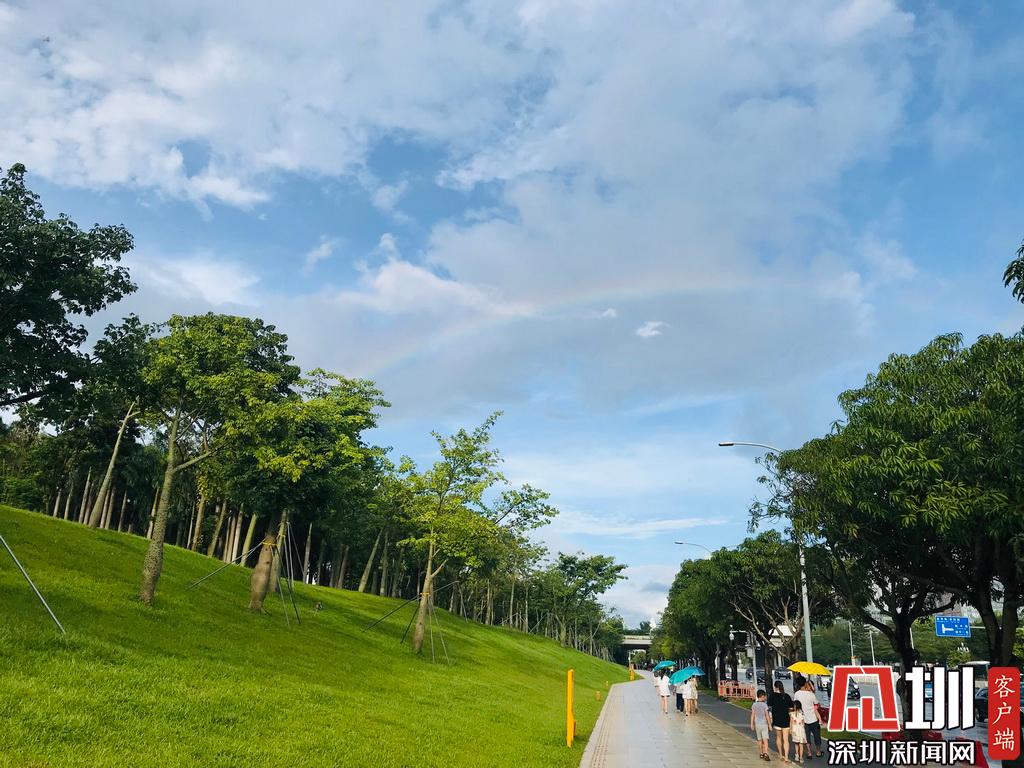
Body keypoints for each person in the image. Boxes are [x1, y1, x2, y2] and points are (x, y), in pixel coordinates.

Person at [793, 679, 823, 759]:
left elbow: (796, 705)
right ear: (805, 684)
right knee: (817, 736)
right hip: (813, 718)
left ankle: (809, 753)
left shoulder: (797, 694)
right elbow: (817, 704)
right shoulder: (811, 694)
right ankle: (818, 752)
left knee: (806, 737)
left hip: (803, 719)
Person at [767, 680, 793, 763]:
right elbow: (791, 708)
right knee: (786, 739)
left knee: (778, 737)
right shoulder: (786, 696)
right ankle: (786, 757)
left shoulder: (772, 696)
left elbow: (769, 706)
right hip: (785, 719)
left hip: (776, 719)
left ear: (775, 687)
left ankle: (781, 755)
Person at [751, 689, 771, 761]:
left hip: (757, 724)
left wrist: (752, 724)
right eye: (765, 696)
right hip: (764, 724)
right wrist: (769, 725)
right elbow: (767, 715)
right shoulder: (764, 705)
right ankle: (766, 753)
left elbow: (752, 715)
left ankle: (761, 753)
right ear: (762, 696)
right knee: (765, 740)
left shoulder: (754, 704)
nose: (765, 698)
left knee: (759, 740)